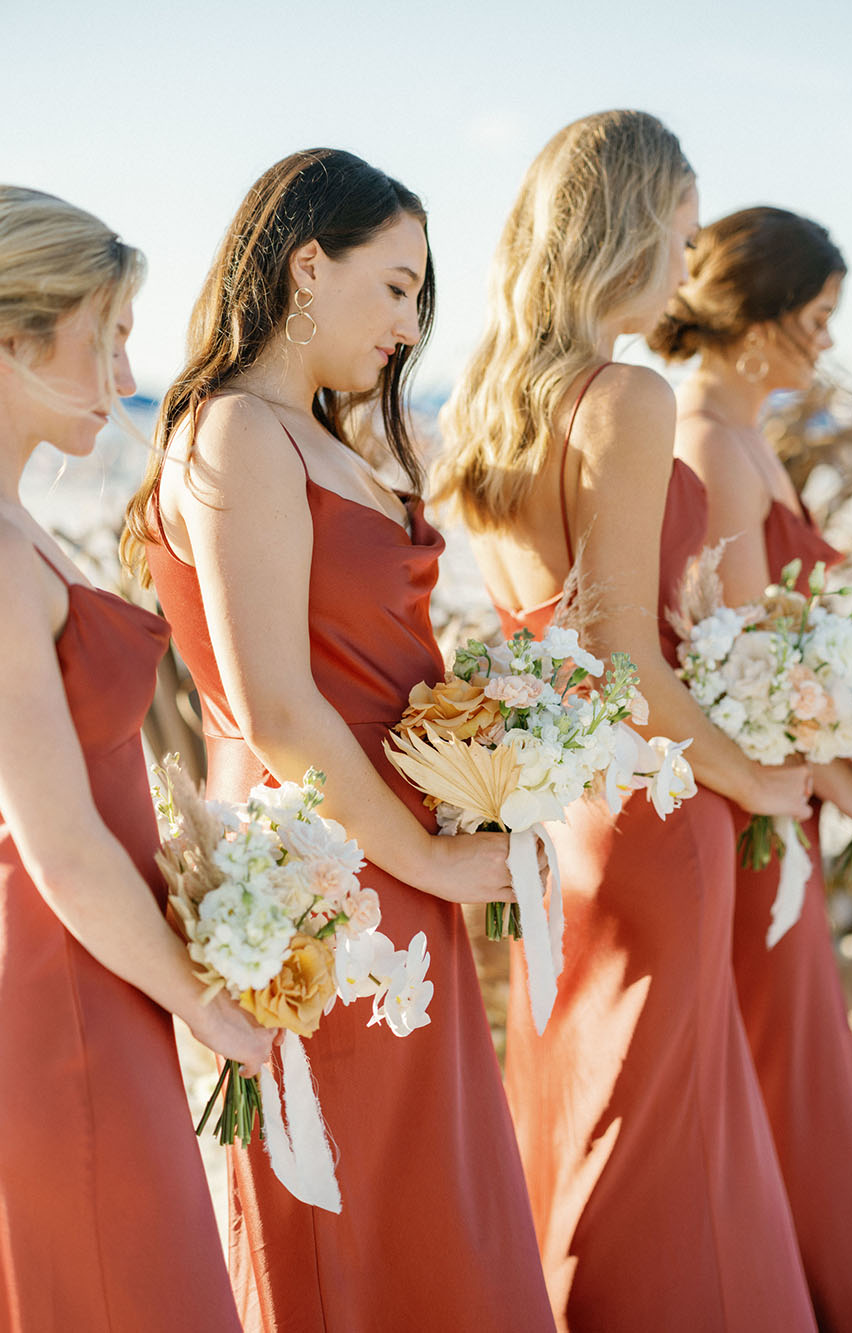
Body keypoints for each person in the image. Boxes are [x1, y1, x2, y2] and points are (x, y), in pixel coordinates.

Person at [122, 148, 555, 1333]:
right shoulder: (234, 434)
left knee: (434, 1204)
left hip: (388, 869)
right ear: (308, 265)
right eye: (397, 285)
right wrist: (427, 864)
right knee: (353, 1228)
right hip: (328, 886)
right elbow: (275, 705)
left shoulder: (316, 436)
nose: (410, 325)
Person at [436, 110, 817, 1332]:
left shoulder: (490, 399)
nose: (688, 263)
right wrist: (756, 781)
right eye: (680, 233)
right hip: (653, 810)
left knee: (585, 1112)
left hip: (555, 822)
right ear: (627, 229)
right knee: (672, 1145)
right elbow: (621, 658)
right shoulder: (626, 394)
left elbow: (550, 643)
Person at [0, 187, 273, 1332]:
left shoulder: (19, 528)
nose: (124, 372)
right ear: (15, 337)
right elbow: (56, 839)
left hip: (95, 966)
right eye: (104, 334)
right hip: (65, 982)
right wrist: (203, 1001)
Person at [651, 205, 852, 1331]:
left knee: (803, 1076)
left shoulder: (745, 428)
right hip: (763, 805)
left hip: (787, 801)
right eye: (812, 320)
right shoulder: (710, 441)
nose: (824, 344)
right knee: (787, 1077)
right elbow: (749, 670)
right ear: (755, 318)